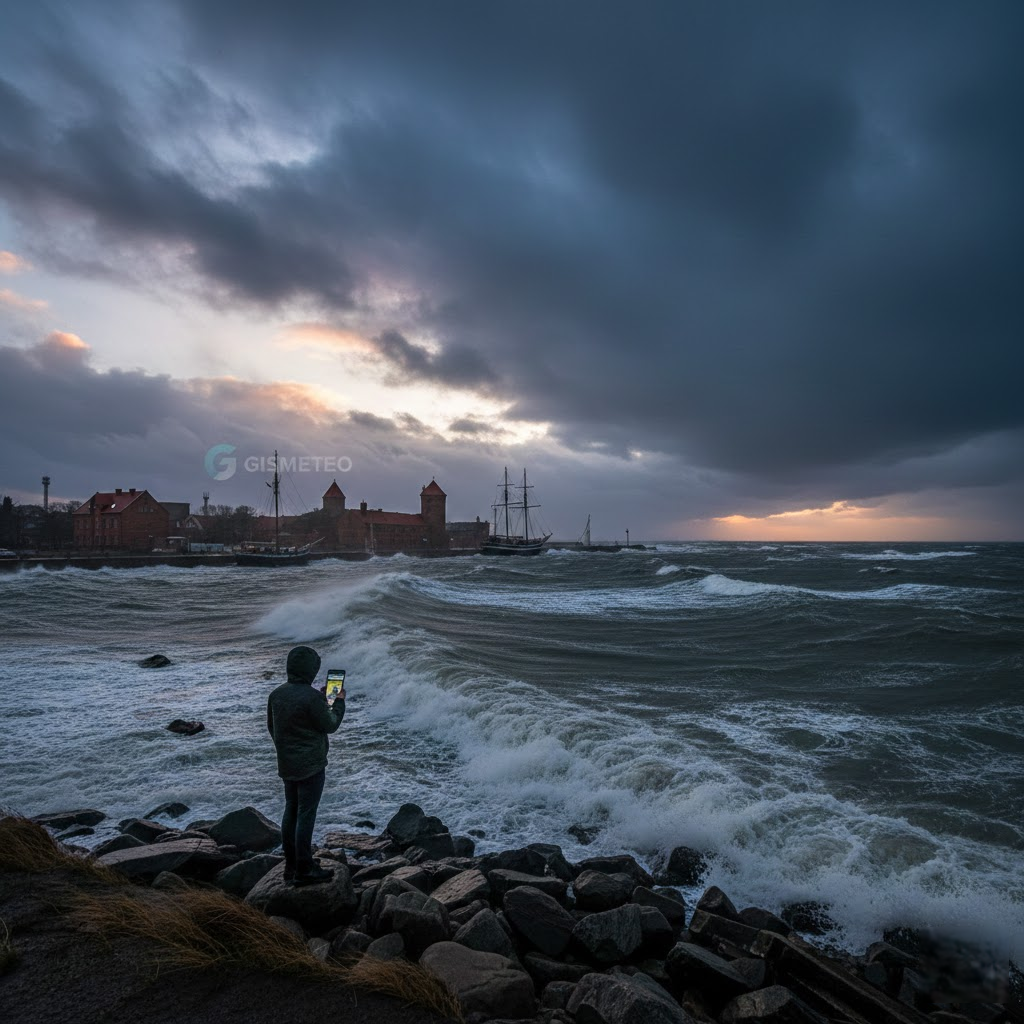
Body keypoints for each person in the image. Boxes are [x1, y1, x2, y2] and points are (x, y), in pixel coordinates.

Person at [266, 645, 345, 885]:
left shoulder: (276, 694)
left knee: (290, 811)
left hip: (287, 764)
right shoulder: (312, 698)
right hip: (311, 766)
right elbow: (330, 724)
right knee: (305, 815)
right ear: (311, 670)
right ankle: (305, 869)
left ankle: (291, 866)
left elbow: (272, 728)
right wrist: (337, 702)